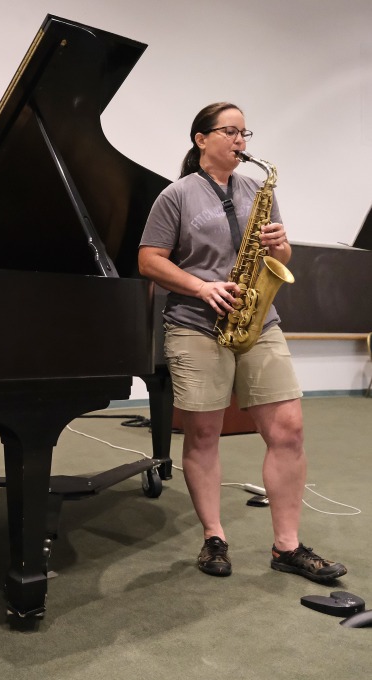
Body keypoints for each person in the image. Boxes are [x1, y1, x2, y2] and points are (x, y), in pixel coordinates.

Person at [138, 103, 347, 583]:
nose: (241, 141)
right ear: (200, 139)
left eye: (244, 132)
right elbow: (149, 260)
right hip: (196, 321)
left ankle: (287, 546)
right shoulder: (176, 196)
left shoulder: (258, 189)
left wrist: (280, 244)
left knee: (289, 429)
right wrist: (200, 286)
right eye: (229, 132)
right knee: (205, 433)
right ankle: (215, 537)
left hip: (260, 318)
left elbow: (284, 251)